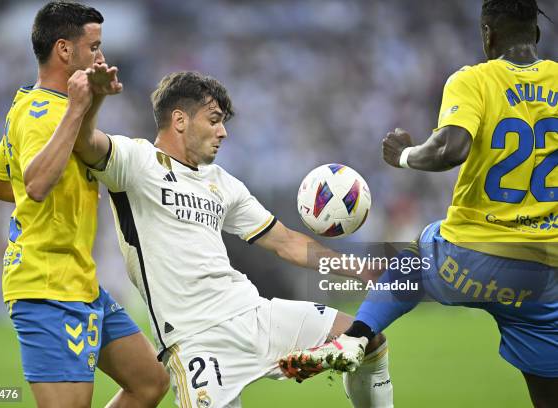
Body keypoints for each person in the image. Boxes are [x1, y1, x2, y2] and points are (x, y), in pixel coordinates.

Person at [71, 70, 394, 407]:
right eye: (214, 120)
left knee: (367, 340)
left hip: (252, 313)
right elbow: (85, 143)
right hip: (194, 341)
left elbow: (285, 242)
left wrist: (360, 268)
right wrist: (94, 100)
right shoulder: (136, 161)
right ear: (179, 120)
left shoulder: (224, 184)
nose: (223, 132)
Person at [290, 0, 558, 406]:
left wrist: (403, 155)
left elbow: (450, 149)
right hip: (539, 273)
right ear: (536, 34)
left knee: (411, 260)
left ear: (488, 34)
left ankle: (354, 338)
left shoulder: (474, 79)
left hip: (469, 257)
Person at [0, 2, 169, 407]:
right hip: (46, 288)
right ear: (64, 50)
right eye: (94, 47)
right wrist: (78, 107)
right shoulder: (41, 113)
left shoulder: (32, 105)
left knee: (150, 382)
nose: (102, 57)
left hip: (80, 281)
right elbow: (32, 184)